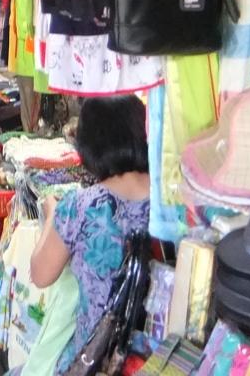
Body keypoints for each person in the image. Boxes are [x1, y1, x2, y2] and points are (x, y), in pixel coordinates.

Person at [29, 95, 151, 375]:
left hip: (93, 360)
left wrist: (52, 214)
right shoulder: (172, 203)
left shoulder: (81, 206)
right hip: (156, 358)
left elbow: (40, 274)